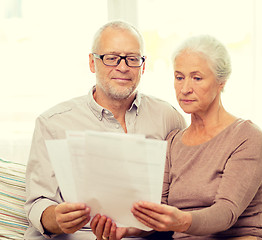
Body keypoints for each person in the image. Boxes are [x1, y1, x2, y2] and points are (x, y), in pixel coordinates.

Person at [91, 35, 262, 240]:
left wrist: (180, 221)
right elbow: (160, 214)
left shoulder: (246, 136)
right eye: (179, 77)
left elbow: (226, 212)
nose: (185, 89)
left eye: (197, 78)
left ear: (221, 82)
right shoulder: (173, 142)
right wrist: (125, 229)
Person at [24, 20, 186, 240]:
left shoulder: (169, 118)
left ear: (143, 65)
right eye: (111, 58)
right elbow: (37, 203)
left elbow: (182, 196)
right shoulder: (52, 122)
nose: (122, 67)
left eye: (132, 58)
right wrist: (56, 218)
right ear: (92, 62)